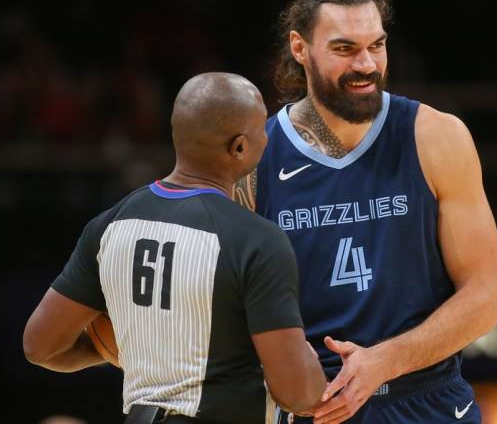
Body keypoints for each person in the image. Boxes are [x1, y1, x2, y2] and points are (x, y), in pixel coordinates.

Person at [234, 0, 497, 423]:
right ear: (300, 48)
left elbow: (484, 296)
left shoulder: (436, 136)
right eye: (345, 48)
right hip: (314, 406)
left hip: (426, 399)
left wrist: (385, 360)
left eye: (376, 45)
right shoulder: (254, 163)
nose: (366, 64)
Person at [23, 72, 326, 424]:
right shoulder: (257, 240)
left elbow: (40, 345)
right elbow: (296, 393)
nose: (267, 139)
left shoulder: (108, 224)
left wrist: (113, 350)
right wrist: (310, 367)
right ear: (239, 147)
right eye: (262, 130)